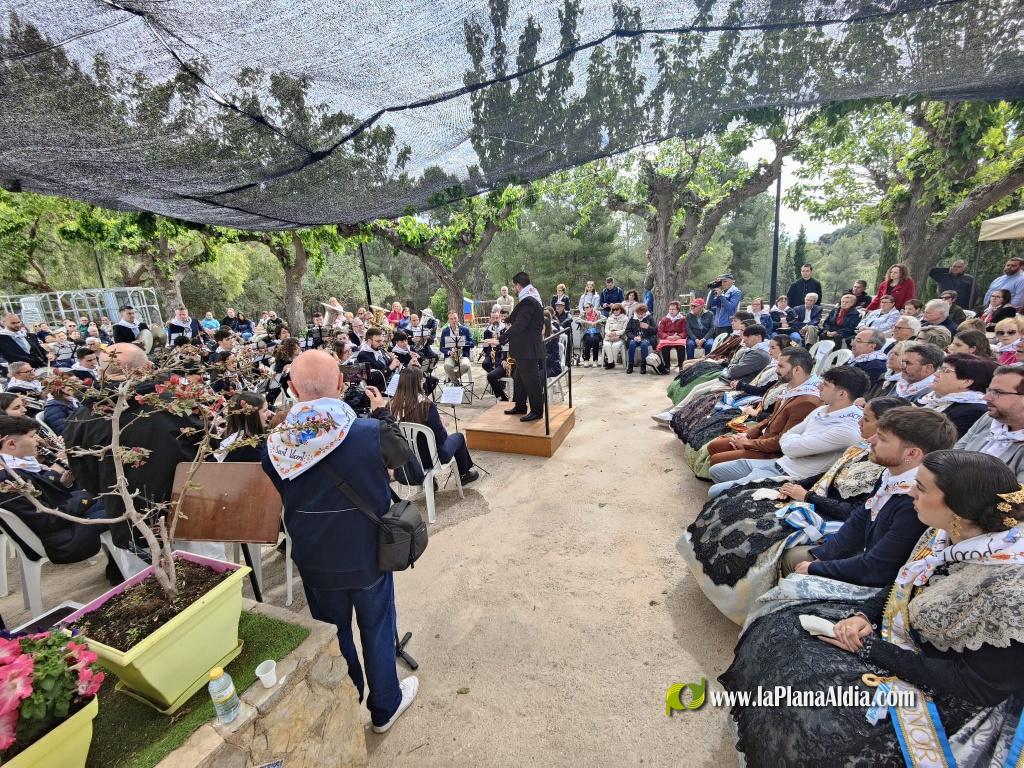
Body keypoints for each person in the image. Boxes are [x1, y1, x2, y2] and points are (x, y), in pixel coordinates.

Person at [720, 450, 1024, 768]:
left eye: (921, 488)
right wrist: (864, 615)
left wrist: (871, 649)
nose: (910, 492)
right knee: (783, 630)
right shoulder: (944, 534)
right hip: (906, 642)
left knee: (825, 719)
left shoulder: (1010, 590)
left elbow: (978, 686)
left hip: (956, 696)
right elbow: (903, 583)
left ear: (958, 506)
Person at [261, 350, 418, 734]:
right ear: (342, 385)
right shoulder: (368, 430)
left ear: (293, 388)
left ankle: (347, 701)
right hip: (368, 553)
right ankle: (384, 706)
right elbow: (405, 460)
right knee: (377, 628)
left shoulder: (276, 444)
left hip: (314, 558)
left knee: (334, 631)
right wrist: (381, 412)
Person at [679, 396, 909, 624]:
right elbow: (828, 476)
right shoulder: (863, 448)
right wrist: (801, 489)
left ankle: (745, 600)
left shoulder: (887, 470)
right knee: (736, 504)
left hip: (827, 512)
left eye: (867, 420)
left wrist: (807, 496)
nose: (860, 422)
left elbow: (859, 520)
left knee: (758, 533)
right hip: (814, 496)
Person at [781, 405, 958, 582]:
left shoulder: (913, 499)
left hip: (878, 579)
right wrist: (824, 555)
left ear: (912, 453)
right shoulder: (891, 474)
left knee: (789, 560)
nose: (870, 440)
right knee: (788, 551)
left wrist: (817, 567)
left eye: (881, 438)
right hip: (864, 560)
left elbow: (878, 567)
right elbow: (860, 519)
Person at [63, 343, 204, 556]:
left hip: (128, 522)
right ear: (148, 367)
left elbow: (84, 473)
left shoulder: (80, 419)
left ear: (101, 372)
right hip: (187, 514)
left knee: (145, 582)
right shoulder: (176, 405)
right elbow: (203, 452)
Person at [707, 366, 869, 498]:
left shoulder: (847, 429)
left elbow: (790, 446)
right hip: (778, 463)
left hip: (790, 476)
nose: (819, 386)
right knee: (716, 471)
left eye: (825, 385)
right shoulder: (823, 409)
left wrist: (794, 440)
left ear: (842, 394)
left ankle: (732, 497)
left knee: (714, 491)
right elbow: (788, 437)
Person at [0, 415, 108, 566]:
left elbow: (41, 498)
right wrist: (86, 494)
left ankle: (117, 567)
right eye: (32, 436)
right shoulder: (7, 479)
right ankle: (123, 568)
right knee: (118, 508)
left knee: (111, 499)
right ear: (11, 443)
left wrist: (62, 483)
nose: (37, 440)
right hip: (60, 538)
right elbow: (48, 520)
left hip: (59, 526)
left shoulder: (10, 471)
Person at [704, 347, 822, 467]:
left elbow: (783, 442)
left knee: (716, 459)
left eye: (781, 366)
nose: (776, 370)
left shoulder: (807, 402)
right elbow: (772, 417)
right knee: (714, 446)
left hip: (773, 452)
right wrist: (748, 434)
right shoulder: (793, 387)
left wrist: (747, 444)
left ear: (797, 370)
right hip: (763, 439)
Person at [389, 368, 479, 484]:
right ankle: (464, 474)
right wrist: (441, 424)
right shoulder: (426, 406)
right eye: (422, 380)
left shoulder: (390, 406)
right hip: (432, 459)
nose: (424, 383)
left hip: (406, 461)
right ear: (418, 383)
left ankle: (432, 481)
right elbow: (441, 438)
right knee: (459, 437)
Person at [955, 365, 1024, 480]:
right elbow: (953, 456)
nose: (986, 397)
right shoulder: (989, 419)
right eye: (989, 390)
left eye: (998, 392)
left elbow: (1018, 497)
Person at [500, 272, 545, 421]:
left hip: (528, 348)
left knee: (532, 381)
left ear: (518, 286)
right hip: (525, 348)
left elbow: (520, 324)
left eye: (514, 286)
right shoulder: (531, 297)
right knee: (519, 378)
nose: (514, 289)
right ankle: (520, 406)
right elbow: (519, 314)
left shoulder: (528, 301)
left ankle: (537, 411)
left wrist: (501, 338)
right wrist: (508, 318)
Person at [919, 353, 996, 438]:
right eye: (940, 368)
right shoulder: (935, 398)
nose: (936, 374)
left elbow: (938, 442)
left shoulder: (971, 412)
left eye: (945, 370)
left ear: (966, 382)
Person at [215, 392, 270, 463]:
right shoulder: (251, 450)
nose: (269, 414)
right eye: (265, 411)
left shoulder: (227, 435)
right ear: (250, 416)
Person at [439, 311, 474, 385]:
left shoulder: (465, 329)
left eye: (455, 318)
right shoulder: (445, 331)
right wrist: (449, 352)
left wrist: (463, 342)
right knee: (447, 366)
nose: (454, 320)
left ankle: (452, 379)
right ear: (448, 320)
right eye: (451, 319)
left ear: (458, 318)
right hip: (451, 355)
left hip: (463, 355)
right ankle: (456, 382)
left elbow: (472, 344)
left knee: (465, 365)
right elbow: (441, 348)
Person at [624, 302, 658, 374]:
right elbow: (627, 331)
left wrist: (648, 327)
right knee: (632, 344)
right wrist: (634, 337)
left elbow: (655, 331)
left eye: (642, 314)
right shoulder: (633, 319)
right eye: (638, 313)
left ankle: (643, 366)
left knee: (644, 344)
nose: (640, 315)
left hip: (646, 338)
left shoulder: (649, 318)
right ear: (636, 312)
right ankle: (630, 365)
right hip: (635, 338)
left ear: (645, 313)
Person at [657, 301, 688, 370]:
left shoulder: (682, 319)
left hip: (678, 339)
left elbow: (685, 331)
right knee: (665, 347)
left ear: (678, 310)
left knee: (681, 347)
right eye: (670, 309)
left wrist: (679, 336)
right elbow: (660, 331)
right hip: (668, 338)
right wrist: (667, 336)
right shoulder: (664, 319)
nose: (671, 311)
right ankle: (667, 366)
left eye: (673, 309)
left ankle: (680, 366)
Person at [602, 303, 628, 368]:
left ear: (621, 310)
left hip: (620, 337)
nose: (615, 311)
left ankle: (612, 362)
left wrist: (615, 333)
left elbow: (625, 330)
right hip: (609, 337)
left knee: (615, 346)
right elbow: (606, 329)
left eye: (617, 309)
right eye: (613, 310)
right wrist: (610, 334)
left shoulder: (625, 318)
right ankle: (611, 362)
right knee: (607, 345)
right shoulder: (609, 318)